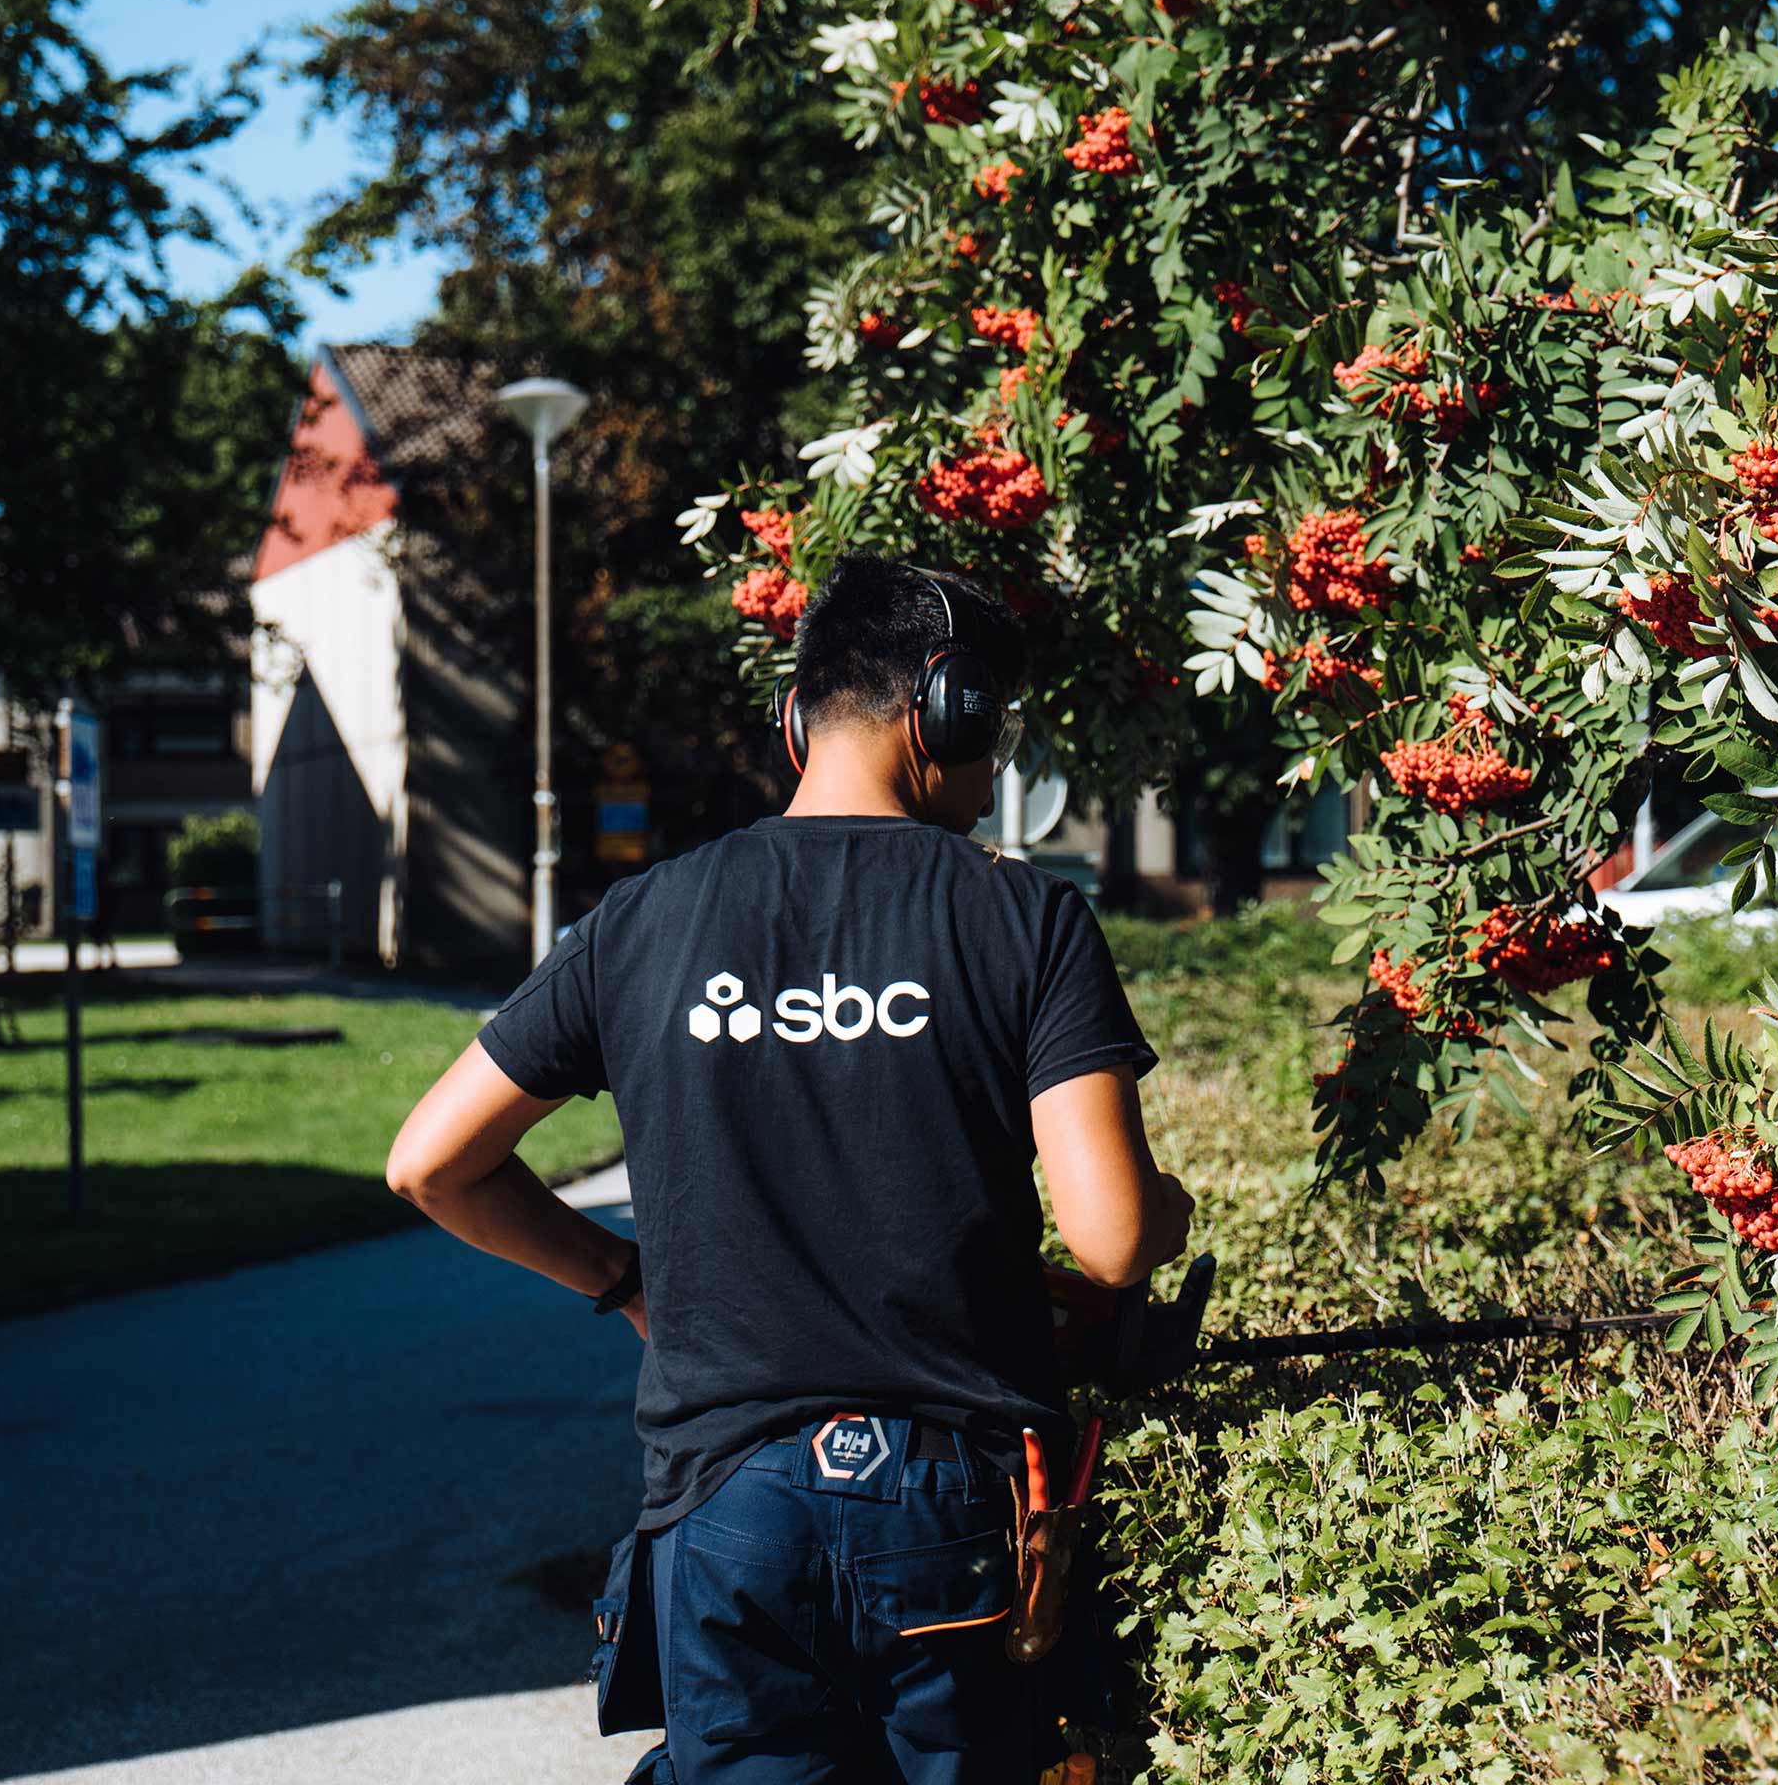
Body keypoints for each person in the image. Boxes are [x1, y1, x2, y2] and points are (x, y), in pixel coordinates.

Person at [386, 557, 1193, 1782]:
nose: (993, 775)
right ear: (948, 707)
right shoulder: (1021, 917)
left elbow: (432, 1162)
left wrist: (622, 1278)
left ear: (793, 715)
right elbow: (1116, 1237)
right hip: (959, 1517)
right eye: (995, 731)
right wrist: (1164, 1203)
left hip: (724, 1513)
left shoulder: (643, 918)